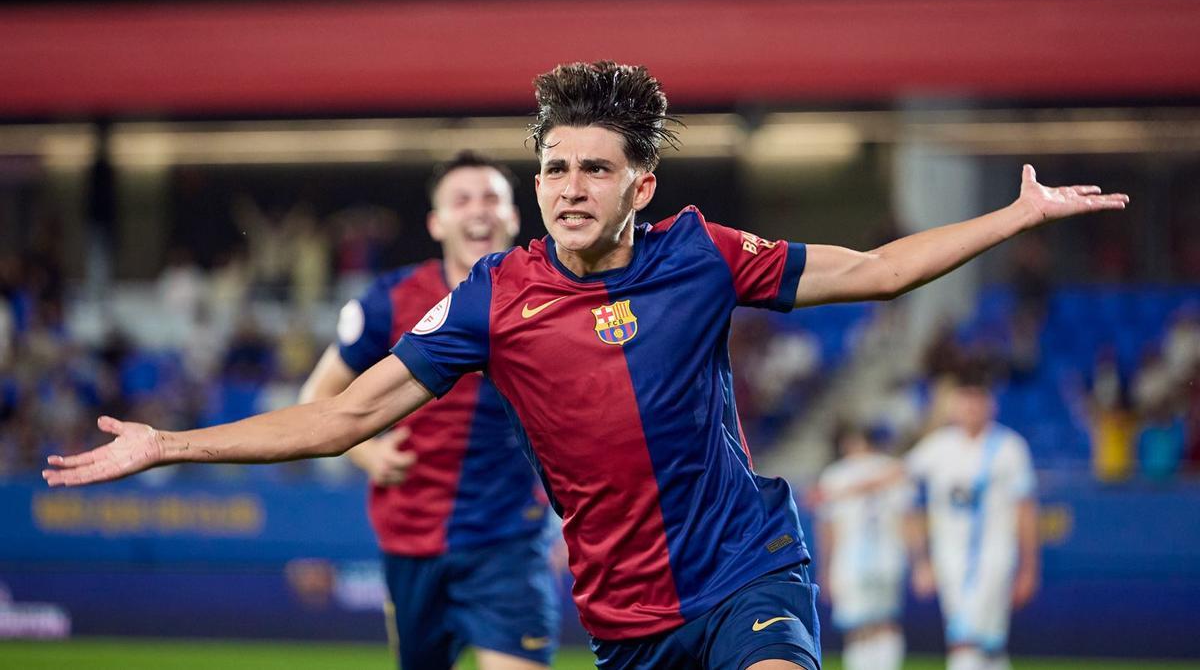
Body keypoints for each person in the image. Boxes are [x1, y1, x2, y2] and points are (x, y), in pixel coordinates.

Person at [44, 61, 1127, 670]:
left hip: (747, 571)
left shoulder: (702, 255)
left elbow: (882, 270)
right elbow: (341, 418)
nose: (566, 186)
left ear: (640, 183)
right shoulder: (495, 299)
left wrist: (1016, 214)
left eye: (592, 169)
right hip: (625, 621)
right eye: (553, 166)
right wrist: (167, 443)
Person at [298, 151, 559, 669]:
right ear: (437, 223)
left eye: (491, 199)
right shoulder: (389, 301)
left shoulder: (554, 298)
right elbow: (315, 399)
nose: (478, 211)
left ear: (512, 216)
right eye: (462, 200)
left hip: (509, 540)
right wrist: (368, 455)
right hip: (411, 540)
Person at [905, 375, 1040, 670]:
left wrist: (1029, 568)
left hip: (993, 558)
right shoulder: (938, 447)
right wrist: (921, 560)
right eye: (965, 402)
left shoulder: (1009, 448)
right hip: (951, 560)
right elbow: (901, 479)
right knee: (985, 645)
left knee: (968, 641)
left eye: (978, 402)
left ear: (991, 405)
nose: (971, 410)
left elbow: (1026, 509)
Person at [815, 425, 910, 670]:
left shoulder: (836, 475)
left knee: (858, 626)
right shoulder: (890, 468)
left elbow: (827, 528)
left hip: (851, 559)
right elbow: (907, 518)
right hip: (887, 556)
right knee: (884, 622)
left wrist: (824, 569)